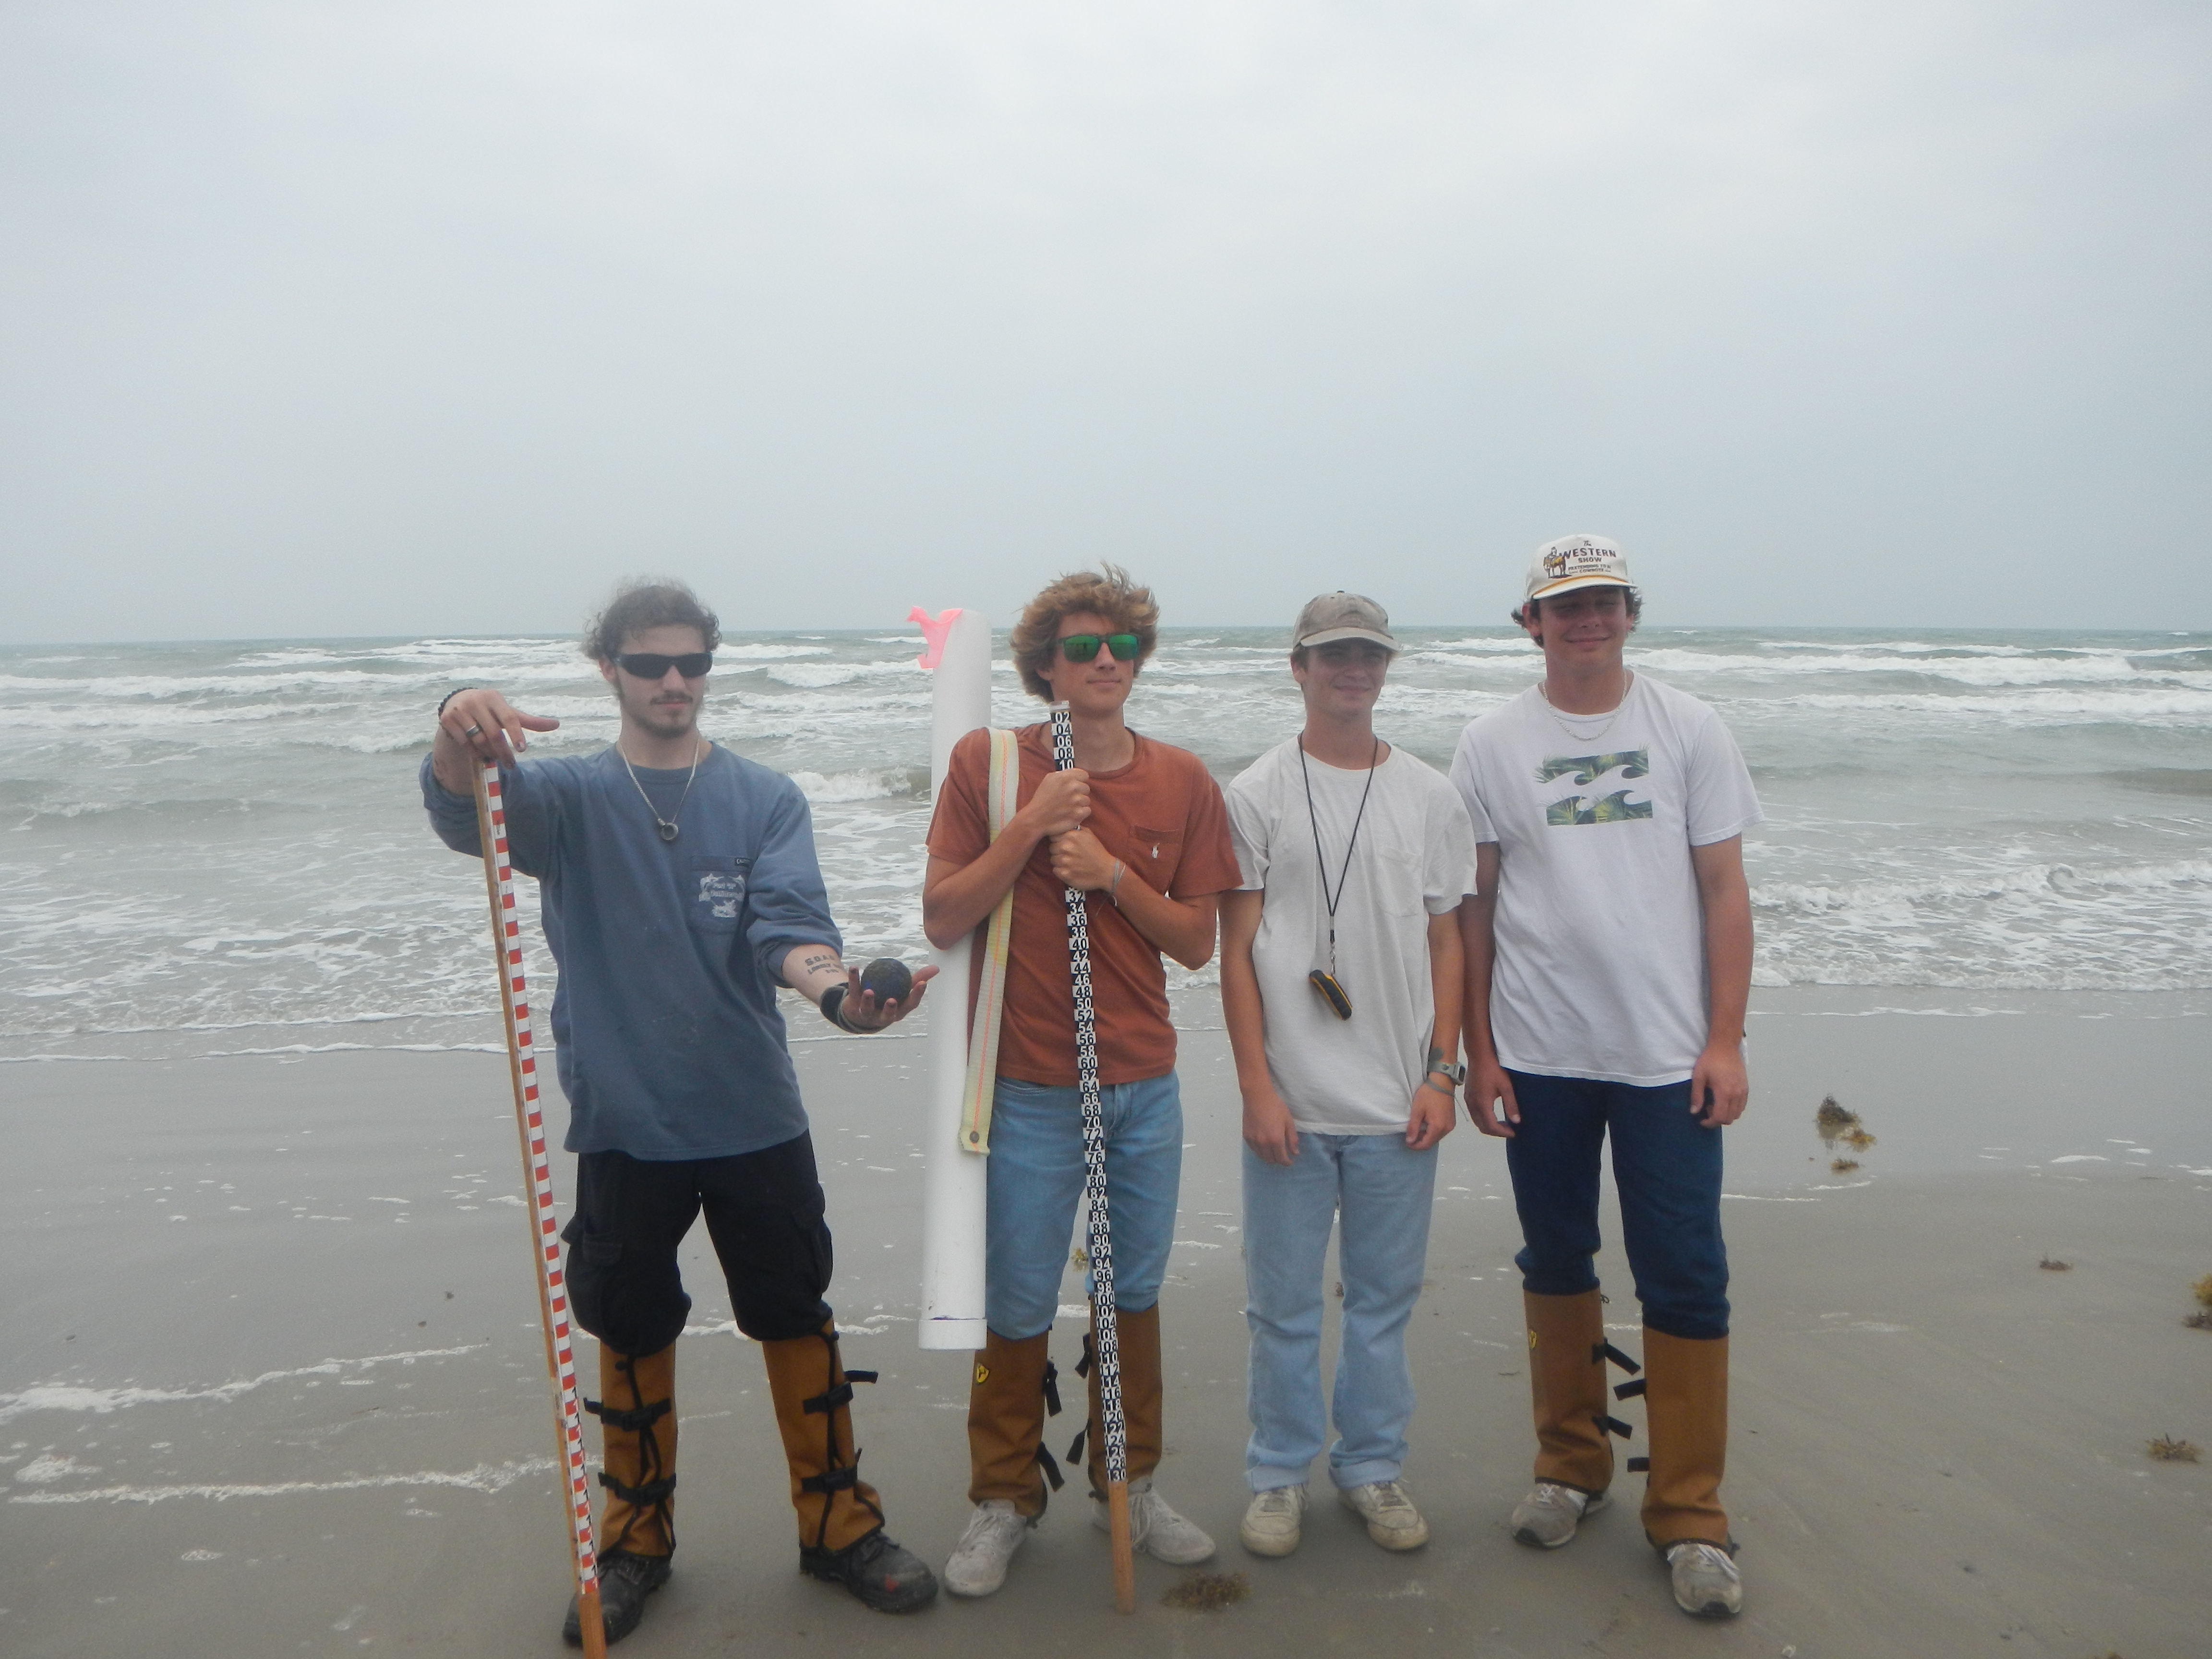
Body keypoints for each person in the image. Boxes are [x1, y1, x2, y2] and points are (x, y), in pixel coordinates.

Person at [422, 580, 941, 1647]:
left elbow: (788, 932)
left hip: (754, 1113)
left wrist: (839, 997)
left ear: (710, 669)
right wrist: (456, 718)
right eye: (650, 663)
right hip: (623, 1121)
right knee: (628, 1320)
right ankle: (635, 1544)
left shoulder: (764, 798)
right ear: (607, 668)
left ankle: (839, 1523)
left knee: (796, 1312)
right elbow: (457, 810)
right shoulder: (561, 797)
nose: (672, 682)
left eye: (691, 664)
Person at [1451, 536, 1761, 1620]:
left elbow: (1724, 889)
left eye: (1602, 603)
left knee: (1684, 1270)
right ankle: (1569, 1467)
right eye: (1562, 606)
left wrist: (1726, 1039)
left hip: (1666, 1057)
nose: (1585, 620)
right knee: (1557, 1256)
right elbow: (1475, 906)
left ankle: (1689, 1513)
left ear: (1630, 614)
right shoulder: (1490, 742)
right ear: (1530, 625)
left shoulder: (1688, 726)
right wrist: (1477, 1051)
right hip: (1539, 1052)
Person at [920, 566, 1241, 1598]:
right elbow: (941, 916)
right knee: (1017, 1298)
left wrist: (1110, 874)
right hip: (1027, 1086)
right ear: (1044, 667)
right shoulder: (991, 766)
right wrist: (1028, 830)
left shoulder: (1183, 780)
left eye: (1124, 647)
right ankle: (1003, 1497)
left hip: (1142, 1082)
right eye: (1083, 647)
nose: (1107, 661)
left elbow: (1198, 939)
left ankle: (1129, 1484)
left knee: (1130, 1290)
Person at [1218, 593, 1478, 1560]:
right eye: (1333, 656)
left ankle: (1371, 1467)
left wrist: (1441, 1072)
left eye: (1368, 655)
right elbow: (1235, 949)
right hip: (1292, 1102)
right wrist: (1257, 1087)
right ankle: (1279, 1473)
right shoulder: (1256, 793)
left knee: (1381, 1304)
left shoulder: (1429, 793)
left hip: (1395, 1105)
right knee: (1280, 1307)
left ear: (1385, 668)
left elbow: (1449, 937)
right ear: (1299, 667)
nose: (1351, 671)